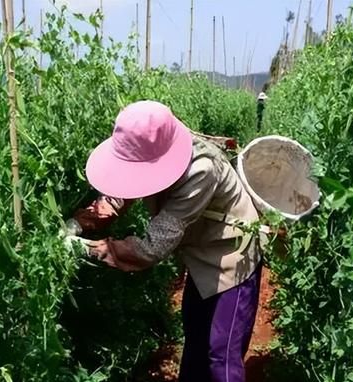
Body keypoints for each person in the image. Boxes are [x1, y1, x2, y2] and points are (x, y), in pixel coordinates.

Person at [66, 100, 265, 382]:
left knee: (221, 355)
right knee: (196, 339)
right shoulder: (157, 144)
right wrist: (80, 222)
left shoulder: (201, 169)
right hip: (199, 257)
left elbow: (153, 247)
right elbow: (120, 191)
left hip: (233, 259)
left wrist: (85, 249)